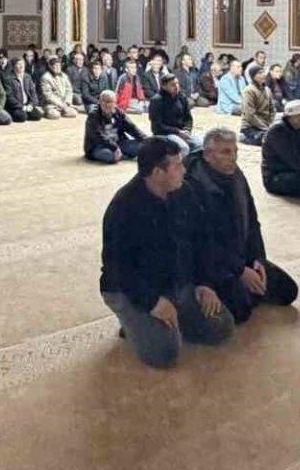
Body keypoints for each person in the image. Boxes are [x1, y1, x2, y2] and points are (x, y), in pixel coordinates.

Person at [99, 137, 234, 368]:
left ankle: (161, 319)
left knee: (221, 326)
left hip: (174, 282)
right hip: (130, 288)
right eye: (177, 166)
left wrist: (205, 283)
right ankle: (134, 319)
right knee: (164, 353)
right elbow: (118, 268)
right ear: (157, 173)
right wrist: (152, 303)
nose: (184, 170)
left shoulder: (184, 192)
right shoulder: (124, 207)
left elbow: (202, 240)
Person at [184, 128, 299, 322]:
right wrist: (239, 270)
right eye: (225, 152)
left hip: (241, 255)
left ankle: (245, 289)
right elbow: (203, 243)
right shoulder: (191, 186)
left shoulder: (237, 176)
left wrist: (257, 259)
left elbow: (252, 221)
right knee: (241, 310)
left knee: (288, 291)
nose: (233, 157)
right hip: (211, 264)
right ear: (208, 155)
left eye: (235, 151)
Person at [85, 90, 146, 163]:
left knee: (142, 146)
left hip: (119, 143)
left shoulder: (118, 113)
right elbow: (97, 136)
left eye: (109, 102)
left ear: (115, 103)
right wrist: (115, 147)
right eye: (103, 101)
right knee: (109, 155)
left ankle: (122, 155)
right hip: (99, 146)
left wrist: (146, 140)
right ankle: (124, 155)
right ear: (99, 102)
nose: (106, 104)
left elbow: (132, 127)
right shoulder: (93, 115)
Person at [148, 72, 199, 151]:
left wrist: (187, 130)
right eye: (172, 85)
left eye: (177, 83)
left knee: (200, 144)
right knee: (183, 148)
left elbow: (188, 117)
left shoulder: (182, 97)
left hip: (182, 132)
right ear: (164, 86)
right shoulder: (157, 101)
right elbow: (157, 126)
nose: (176, 86)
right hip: (165, 134)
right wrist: (178, 132)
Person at [238, 65, 275, 146]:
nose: (263, 75)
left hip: (266, 124)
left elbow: (272, 110)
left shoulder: (267, 90)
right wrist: (265, 127)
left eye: (263, 72)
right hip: (251, 126)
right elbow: (250, 114)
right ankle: (245, 138)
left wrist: (270, 123)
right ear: (253, 76)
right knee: (268, 140)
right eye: (260, 73)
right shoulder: (249, 91)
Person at [3, 57, 41, 123]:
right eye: (19, 64)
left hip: (27, 104)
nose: (21, 66)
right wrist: (21, 107)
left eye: (23, 64)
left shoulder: (27, 77)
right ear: (14, 66)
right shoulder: (8, 78)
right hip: (15, 106)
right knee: (22, 117)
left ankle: (26, 112)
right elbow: (9, 97)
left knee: (37, 115)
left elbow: (33, 93)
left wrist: (31, 104)